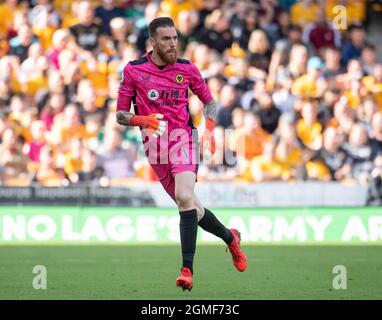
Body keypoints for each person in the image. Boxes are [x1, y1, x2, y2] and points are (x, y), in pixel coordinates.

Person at [116, 17, 247, 291]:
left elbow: (209, 102)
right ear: (153, 42)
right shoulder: (133, 71)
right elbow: (121, 114)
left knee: (184, 197)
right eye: (166, 39)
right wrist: (143, 120)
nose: (173, 43)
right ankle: (230, 238)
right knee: (193, 209)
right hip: (155, 149)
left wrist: (210, 130)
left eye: (175, 38)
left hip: (183, 140)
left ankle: (187, 270)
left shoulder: (186, 69)